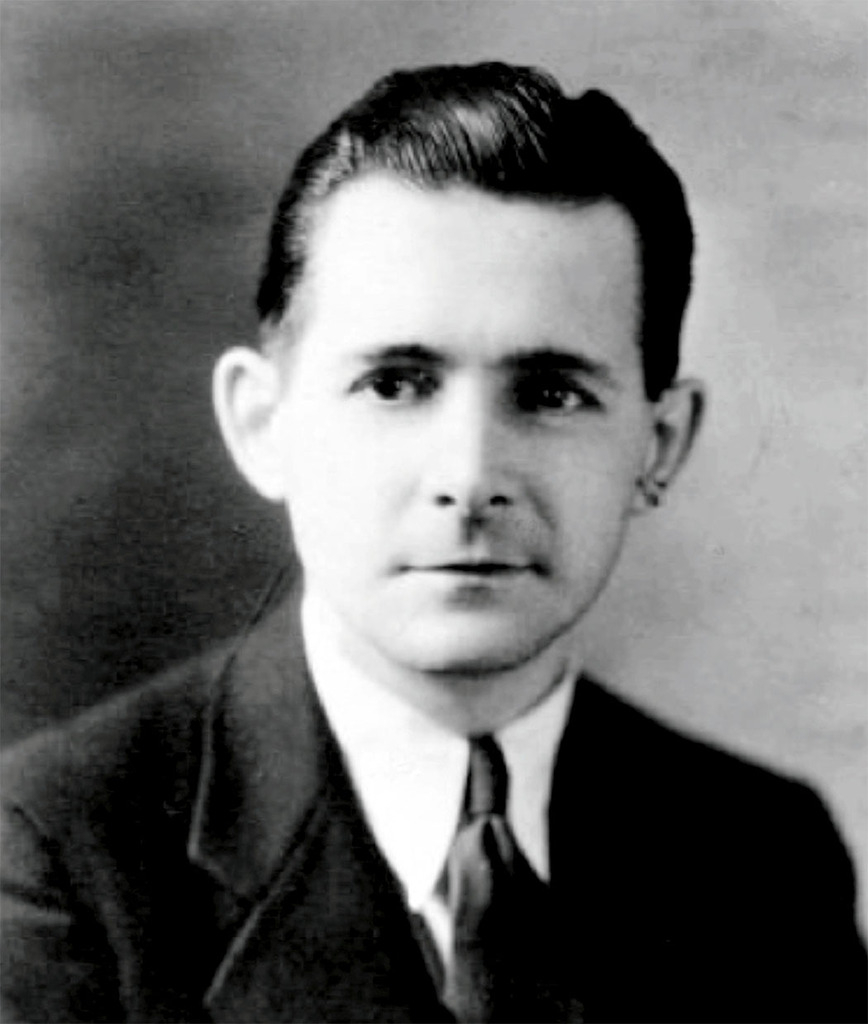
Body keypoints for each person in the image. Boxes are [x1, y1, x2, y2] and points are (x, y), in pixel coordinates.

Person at [1, 61, 865, 1024]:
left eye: (550, 393)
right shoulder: (58, 854)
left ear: (658, 446)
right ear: (263, 424)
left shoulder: (767, 857)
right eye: (395, 384)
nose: (470, 474)